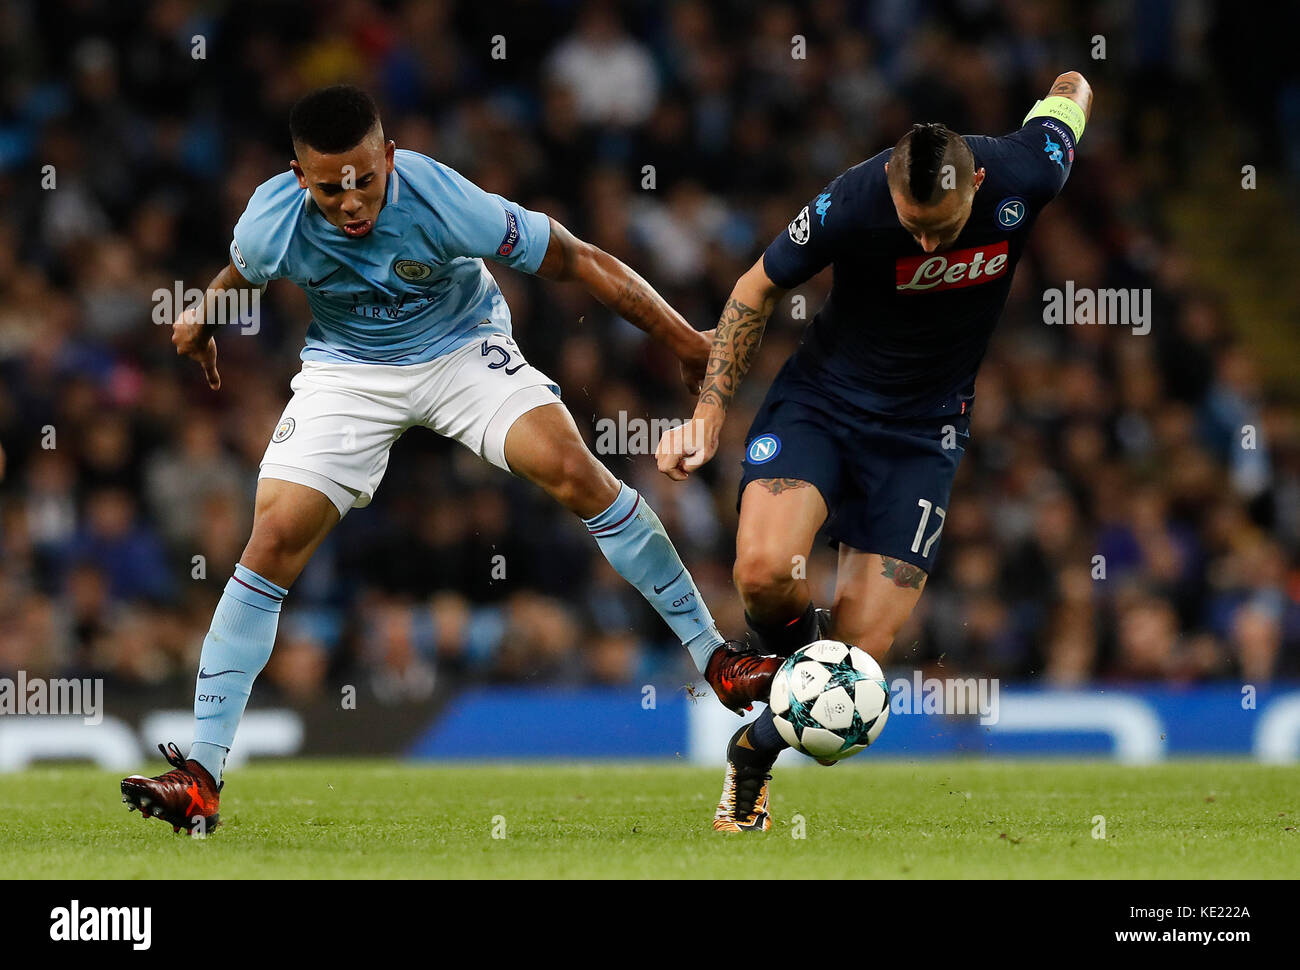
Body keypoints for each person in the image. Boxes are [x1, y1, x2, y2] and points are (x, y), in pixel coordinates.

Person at [120, 84, 749, 833]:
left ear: (389, 157)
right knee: (271, 541)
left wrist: (685, 343)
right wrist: (203, 315)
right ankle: (202, 776)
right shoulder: (268, 225)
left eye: (365, 180)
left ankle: (718, 659)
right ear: (298, 179)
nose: (351, 203)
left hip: (462, 351)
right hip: (348, 372)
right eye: (329, 188)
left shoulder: (448, 200)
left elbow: (578, 260)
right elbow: (244, 271)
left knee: (578, 471)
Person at [657, 72, 1093, 831]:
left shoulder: (1030, 168)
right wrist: (708, 413)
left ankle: (753, 751)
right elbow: (755, 288)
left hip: (923, 435)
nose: (925, 243)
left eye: (943, 228)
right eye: (912, 226)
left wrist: (1071, 86)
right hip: (821, 406)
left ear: (979, 183)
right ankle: (785, 671)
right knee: (763, 574)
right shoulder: (854, 199)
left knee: (858, 665)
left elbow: (1071, 94)